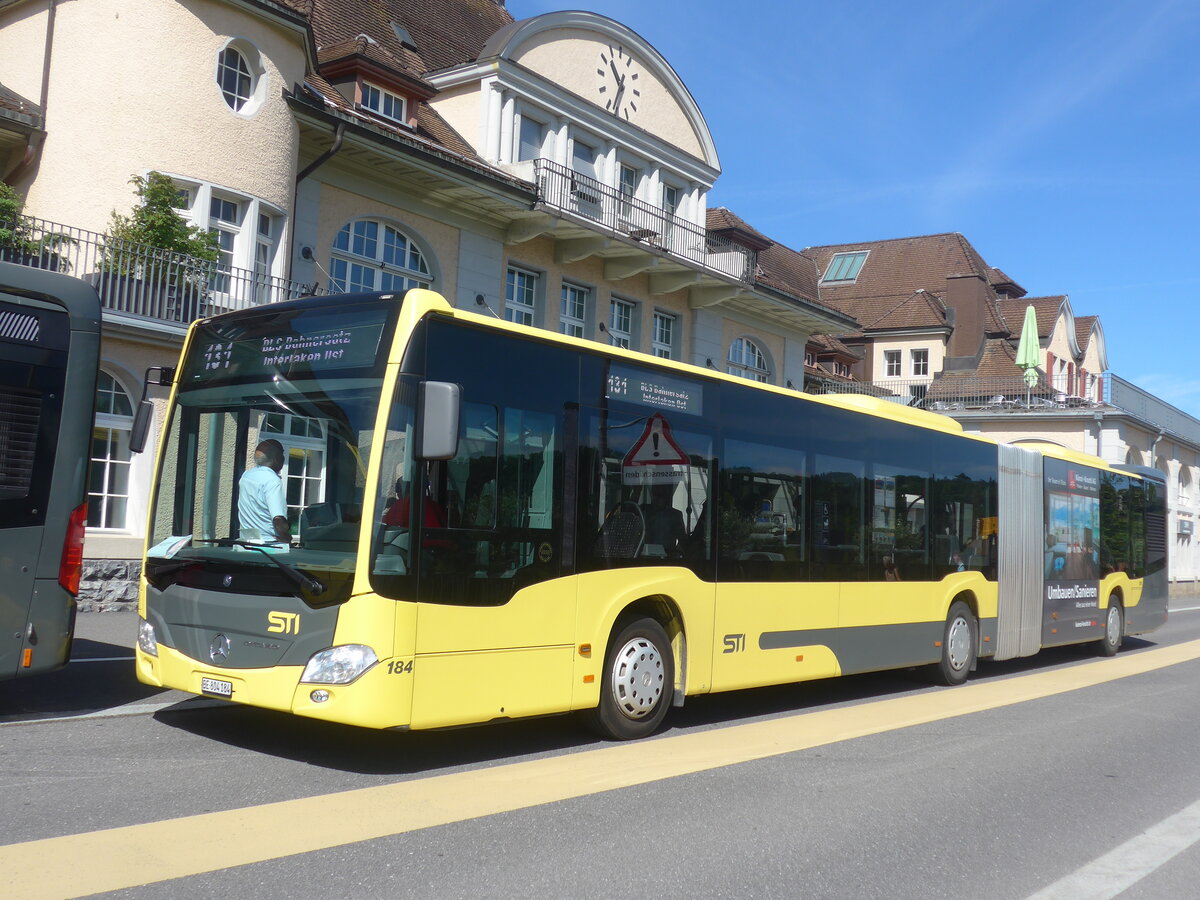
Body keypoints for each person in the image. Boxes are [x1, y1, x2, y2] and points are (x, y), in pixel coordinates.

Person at [238, 439, 291, 543]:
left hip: (246, 541)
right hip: (269, 544)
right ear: (276, 458)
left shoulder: (246, 475)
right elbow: (278, 519)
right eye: (282, 454)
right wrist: (286, 537)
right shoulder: (272, 480)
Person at [642, 483, 685, 557]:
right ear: (652, 495)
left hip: (667, 557)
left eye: (661, 495)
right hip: (644, 556)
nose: (659, 498)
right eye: (656, 494)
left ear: (667, 496)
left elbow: (682, 539)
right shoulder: (643, 511)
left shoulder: (675, 515)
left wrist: (677, 553)